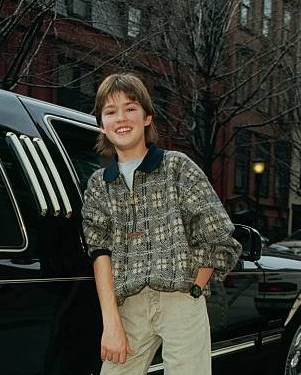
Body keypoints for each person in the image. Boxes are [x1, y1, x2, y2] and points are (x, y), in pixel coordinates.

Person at [81, 72, 242, 375]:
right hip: (128, 305)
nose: (121, 118)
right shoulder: (99, 185)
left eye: (130, 108)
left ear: (147, 117)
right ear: (102, 123)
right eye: (110, 111)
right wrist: (111, 322)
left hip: (180, 297)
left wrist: (195, 288)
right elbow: (99, 253)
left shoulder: (177, 167)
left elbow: (218, 234)